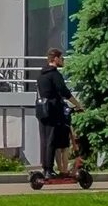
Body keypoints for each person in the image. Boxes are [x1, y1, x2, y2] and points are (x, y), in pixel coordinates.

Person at [34, 47, 83, 180]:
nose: (62, 60)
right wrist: (78, 105)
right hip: (53, 111)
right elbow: (64, 92)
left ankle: (46, 168)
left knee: (45, 140)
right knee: (51, 141)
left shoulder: (41, 75)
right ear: (55, 59)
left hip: (42, 111)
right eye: (61, 58)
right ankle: (49, 171)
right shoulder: (54, 75)